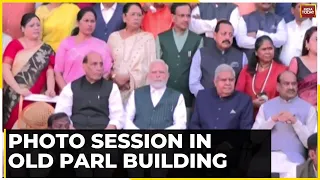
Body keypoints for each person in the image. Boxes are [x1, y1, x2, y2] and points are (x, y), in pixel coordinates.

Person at [252, 71, 317, 177]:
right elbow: (254, 138)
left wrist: (295, 122)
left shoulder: (308, 109)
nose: (291, 87)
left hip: (293, 160)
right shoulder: (265, 107)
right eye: (286, 84)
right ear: (278, 86)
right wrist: (272, 120)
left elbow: (310, 144)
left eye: (294, 83)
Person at [3, 13, 56, 130]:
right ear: (22, 28)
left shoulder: (46, 49)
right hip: (15, 97)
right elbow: (5, 68)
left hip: (37, 98)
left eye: (38, 25)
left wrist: (50, 89)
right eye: (32, 25)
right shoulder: (14, 45)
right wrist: (18, 89)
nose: (36, 27)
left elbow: (50, 72)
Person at [156, 3, 203, 120]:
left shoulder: (197, 40)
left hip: (187, 97)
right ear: (173, 17)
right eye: (182, 16)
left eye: (188, 16)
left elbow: (198, 70)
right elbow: (156, 66)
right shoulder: (161, 38)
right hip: (164, 95)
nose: (186, 19)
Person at [55, 51, 124, 130]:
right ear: (84, 66)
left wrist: (110, 128)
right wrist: (69, 127)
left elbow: (118, 116)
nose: (99, 68)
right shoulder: (71, 87)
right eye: (94, 64)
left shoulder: (112, 88)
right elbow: (61, 113)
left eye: (101, 64)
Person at [108, 3, 156, 104]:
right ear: (124, 17)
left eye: (139, 15)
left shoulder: (148, 38)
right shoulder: (114, 37)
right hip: (114, 89)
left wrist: (129, 79)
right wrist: (114, 77)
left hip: (137, 92)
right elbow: (106, 64)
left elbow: (149, 67)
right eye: (133, 14)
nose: (136, 18)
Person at [54, 7, 113, 91]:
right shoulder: (66, 43)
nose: (89, 24)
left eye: (92, 21)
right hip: (69, 92)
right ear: (78, 23)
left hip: (94, 93)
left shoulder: (102, 45)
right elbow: (58, 72)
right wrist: (67, 92)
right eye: (86, 21)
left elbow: (106, 72)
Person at [189, 20, 247, 97]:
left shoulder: (241, 56)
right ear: (215, 35)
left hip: (232, 103)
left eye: (230, 35)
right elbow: (194, 83)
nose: (227, 37)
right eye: (224, 34)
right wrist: (206, 97)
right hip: (206, 101)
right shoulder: (201, 53)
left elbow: (244, 84)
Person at [188, 64, 254, 129]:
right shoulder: (202, 96)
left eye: (231, 80)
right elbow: (194, 124)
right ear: (215, 81)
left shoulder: (244, 101)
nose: (228, 83)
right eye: (223, 80)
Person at [236, 35, 287, 118]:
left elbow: (286, 98)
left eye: (270, 48)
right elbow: (238, 96)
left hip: (273, 116)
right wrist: (251, 104)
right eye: (264, 49)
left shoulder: (283, 70)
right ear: (256, 52)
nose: (268, 52)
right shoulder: (246, 70)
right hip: (248, 116)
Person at [289, 27, 317, 107]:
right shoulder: (296, 62)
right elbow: (288, 88)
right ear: (307, 43)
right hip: (298, 109)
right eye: (316, 39)